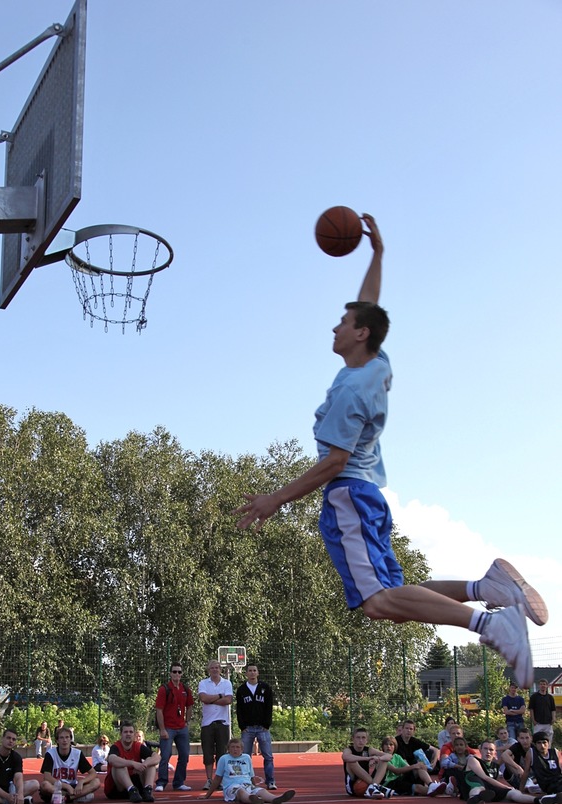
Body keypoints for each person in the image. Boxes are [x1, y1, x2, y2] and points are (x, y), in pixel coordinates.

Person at [234, 214, 547, 689]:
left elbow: (333, 462)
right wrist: (377, 254)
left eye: (342, 323)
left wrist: (274, 499)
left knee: (378, 602)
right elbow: (370, 308)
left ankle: (490, 625)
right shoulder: (376, 363)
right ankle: (485, 589)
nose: (334, 327)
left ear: (359, 334)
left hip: (348, 495)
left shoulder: (349, 394)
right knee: (397, 600)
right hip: (368, 495)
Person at [463, 739, 557, 804]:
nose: (488, 752)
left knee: (512, 792)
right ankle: (474, 798)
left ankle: (538, 800)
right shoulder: (473, 760)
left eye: (491, 750)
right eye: (485, 749)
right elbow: (485, 777)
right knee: (479, 786)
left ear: (495, 752)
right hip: (473, 785)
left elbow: (506, 756)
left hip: (490, 790)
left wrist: (509, 788)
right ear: (480, 750)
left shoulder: (495, 766)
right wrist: (505, 787)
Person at [202, 737, 295, 804]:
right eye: (232, 747)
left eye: (237, 747)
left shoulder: (246, 758)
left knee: (261, 791)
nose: (235, 749)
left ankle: (276, 799)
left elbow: (251, 775)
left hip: (247, 784)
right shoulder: (224, 759)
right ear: (228, 749)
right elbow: (218, 778)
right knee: (241, 792)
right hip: (231, 787)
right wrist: (207, 795)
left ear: (242, 749)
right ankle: (252, 800)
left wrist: (255, 786)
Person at [235, 664, 277, 789]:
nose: (252, 673)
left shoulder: (265, 688)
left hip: (262, 728)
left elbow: (269, 707)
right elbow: (239, 709)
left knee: (268, 756)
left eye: (254, 670)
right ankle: (246, 780)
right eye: (250, 671)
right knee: (246, 756)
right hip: (247, 728)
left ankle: (270, 781)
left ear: (258, 673)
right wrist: (242, 726)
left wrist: (266, 724)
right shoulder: (242, 690)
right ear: (246, 673)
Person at [154, 663, 194, 793]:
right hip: (168, 728)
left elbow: (190, 706)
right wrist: (162, 729)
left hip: (182, 728)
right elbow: (159, 710)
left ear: (182, 674)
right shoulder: (164, 689)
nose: (177, 674)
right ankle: (161, 782)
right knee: (165, 755)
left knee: (184, 755)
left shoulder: (186, 689)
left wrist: (187, 721)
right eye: (174, 672)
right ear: (170, 673)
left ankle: (179, 782)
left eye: (179, 672)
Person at [39, 726, 99, 804]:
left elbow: (93, 773)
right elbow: (47, 777)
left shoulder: (77, 754)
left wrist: (81, 782)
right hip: (57, 787)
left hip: (73, 786)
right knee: (44, 785)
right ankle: (75, 796)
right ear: (57, 740)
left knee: (96, 782)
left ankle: (68, 798)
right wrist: (66, 786)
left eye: (67, 737)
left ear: (71, 739)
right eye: (61, 738)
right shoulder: (50, 754)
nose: (65, 740)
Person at [197, 660, 233, 791]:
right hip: (207, 723)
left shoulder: (227, 683)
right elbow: (203, 699)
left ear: (220, 669)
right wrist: (219, 696)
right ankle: (208, 779)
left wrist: (211, 700)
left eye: (217, 668)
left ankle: (220, 780)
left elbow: (228, 700)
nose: (215, 670)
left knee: (222, 753)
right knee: (207, 753)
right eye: (212, 668)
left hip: (223, 723)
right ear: (208, 670)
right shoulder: (203, 683)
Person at [104, 722, 159, 804]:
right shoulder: (116, 746)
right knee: (119, 764)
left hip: (136, 784)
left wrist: (144, 765)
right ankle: (131, 789)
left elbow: (157, 757)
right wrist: (133, 763)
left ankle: (148, 790)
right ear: (121, 734)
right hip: (118, 789)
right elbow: (111, 759)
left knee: (150, 761)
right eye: (125, 732)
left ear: (134, 734)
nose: (128, 734)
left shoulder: (137, 746)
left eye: (131, 732)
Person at [380, 735, 446, 796]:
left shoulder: (397, 756)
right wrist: (414, 766)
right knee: (418, 787)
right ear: (383, 746)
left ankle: (431, 784)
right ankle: (439, 791)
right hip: (390, 783)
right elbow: (396, 771)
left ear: (395, 747)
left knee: (419, 767)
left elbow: (408, 767)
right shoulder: (382, 758)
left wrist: (419, 766)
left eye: (391, 745)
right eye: (386, 744)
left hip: (400, 779)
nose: (388, 746)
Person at [342, 727, 395, 799]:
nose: (360, 740)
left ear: (367, 740)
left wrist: (378, 758)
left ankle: (373, 787)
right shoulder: (348, 750)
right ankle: (377, 787)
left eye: (363, 738)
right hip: (354, 786)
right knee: (351, 761)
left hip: (366, 782)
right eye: (358, 737)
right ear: (353, 739)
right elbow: (345, 757)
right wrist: (367, 758)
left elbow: (389, 756)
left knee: (384, 761)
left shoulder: (369, 749)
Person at [528, 732, 562, 801]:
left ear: (548, 743)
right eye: (539, 743)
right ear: (535, 744)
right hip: (547, 784)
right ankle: (554, 796)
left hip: (559, 781)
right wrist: (521, 790)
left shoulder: (555, 752)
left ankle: (555, 796)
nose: (542, 746)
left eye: (544, 742)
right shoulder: (531, 753)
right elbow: (526, 773)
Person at [529, 679, 556, 743]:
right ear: (539, 685)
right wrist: (533, 720)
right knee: (537, 740)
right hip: (538, 723)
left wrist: (553, 718)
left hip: (548, 723)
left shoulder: (550, 697)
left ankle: (548, 752)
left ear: (547, 686)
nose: (542, 686)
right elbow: (531, 709)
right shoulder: (534, 697)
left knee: (548, 741)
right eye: (541, 684)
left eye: (544, 684)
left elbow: (553, 709)